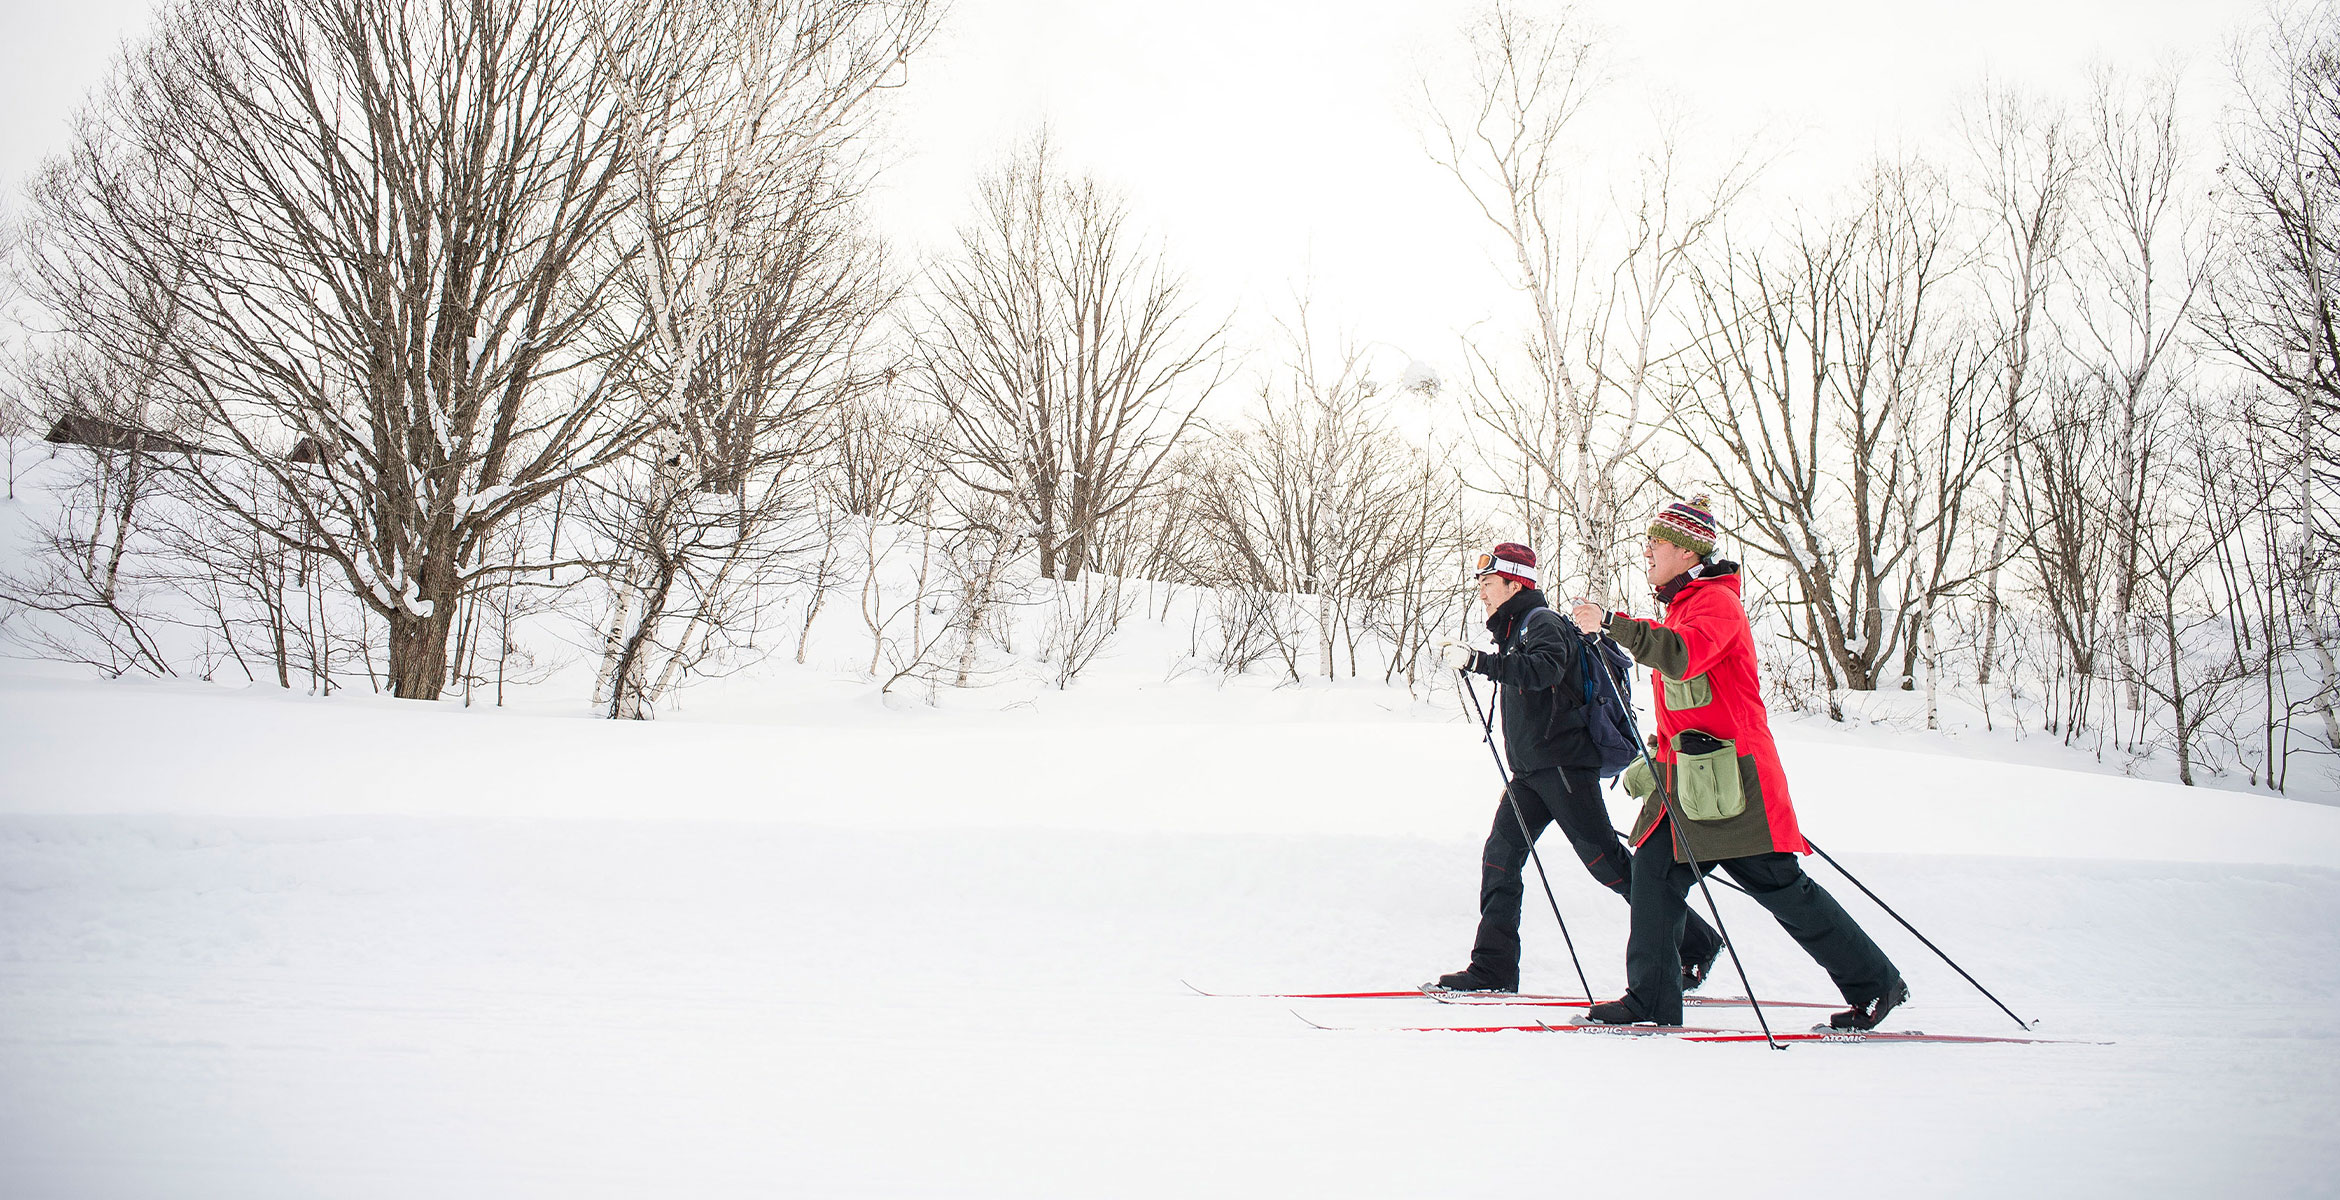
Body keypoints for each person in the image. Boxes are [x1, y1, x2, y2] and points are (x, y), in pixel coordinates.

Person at [1567, 497, 1909, 1030]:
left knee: (1781, 887)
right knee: (1653, 878)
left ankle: (1876, 986)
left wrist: (1614, 623)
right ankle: (1651, 1003)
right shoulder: (1682, 606)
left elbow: (1680, 655)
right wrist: (1655, 756)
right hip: (1689, 784)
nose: (1647, 554)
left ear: (1685, 550)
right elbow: (1689, 703)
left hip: (1735, 786)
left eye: (1655, 545)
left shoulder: (1716, 605)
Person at [1424, 542, 1723, 995]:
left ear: (1514, 583)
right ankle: (1493, 969)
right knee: (1501, 859)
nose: (1482, 593)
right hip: (1532, 773)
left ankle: (1697, 944)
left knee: (1608, 865)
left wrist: (1477, 662)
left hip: (1564, 768)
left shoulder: (1541, 623)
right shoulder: (1514, 629)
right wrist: (1486, 659)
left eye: (1487, 584)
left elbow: (1543, 670)